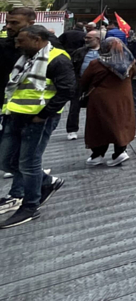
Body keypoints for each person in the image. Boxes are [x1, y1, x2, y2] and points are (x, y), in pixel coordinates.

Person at [0, 25, 74, 228]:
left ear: (38, 39)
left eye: (21, 40)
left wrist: (43, 116)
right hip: (15, 116)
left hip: (37, 120)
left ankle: (30, 207)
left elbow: (67, 90)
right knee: (6, 161)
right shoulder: (26, 58)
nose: (17, 43)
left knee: (28, 163)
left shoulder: (57, 58)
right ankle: (46, 181)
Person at [80, 36, 136, 167]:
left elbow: (84, 81)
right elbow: (132, 76)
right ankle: (120, 152)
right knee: (122, 123)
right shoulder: (131, 63)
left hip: (100, 100)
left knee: (99, 125)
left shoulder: (97, 64)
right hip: (124, 98)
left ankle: (97, 155)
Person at [67, 28, 102, 141]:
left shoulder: (105, 51)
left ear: (98, 39)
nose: (86, 40)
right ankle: (72, 130)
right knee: (74, 106)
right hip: (80, 82)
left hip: (97, 84)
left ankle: (95, 129)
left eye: (89, 38)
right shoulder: (80, 51)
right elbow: (71, 66)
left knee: (96, 107)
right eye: (85, 37)